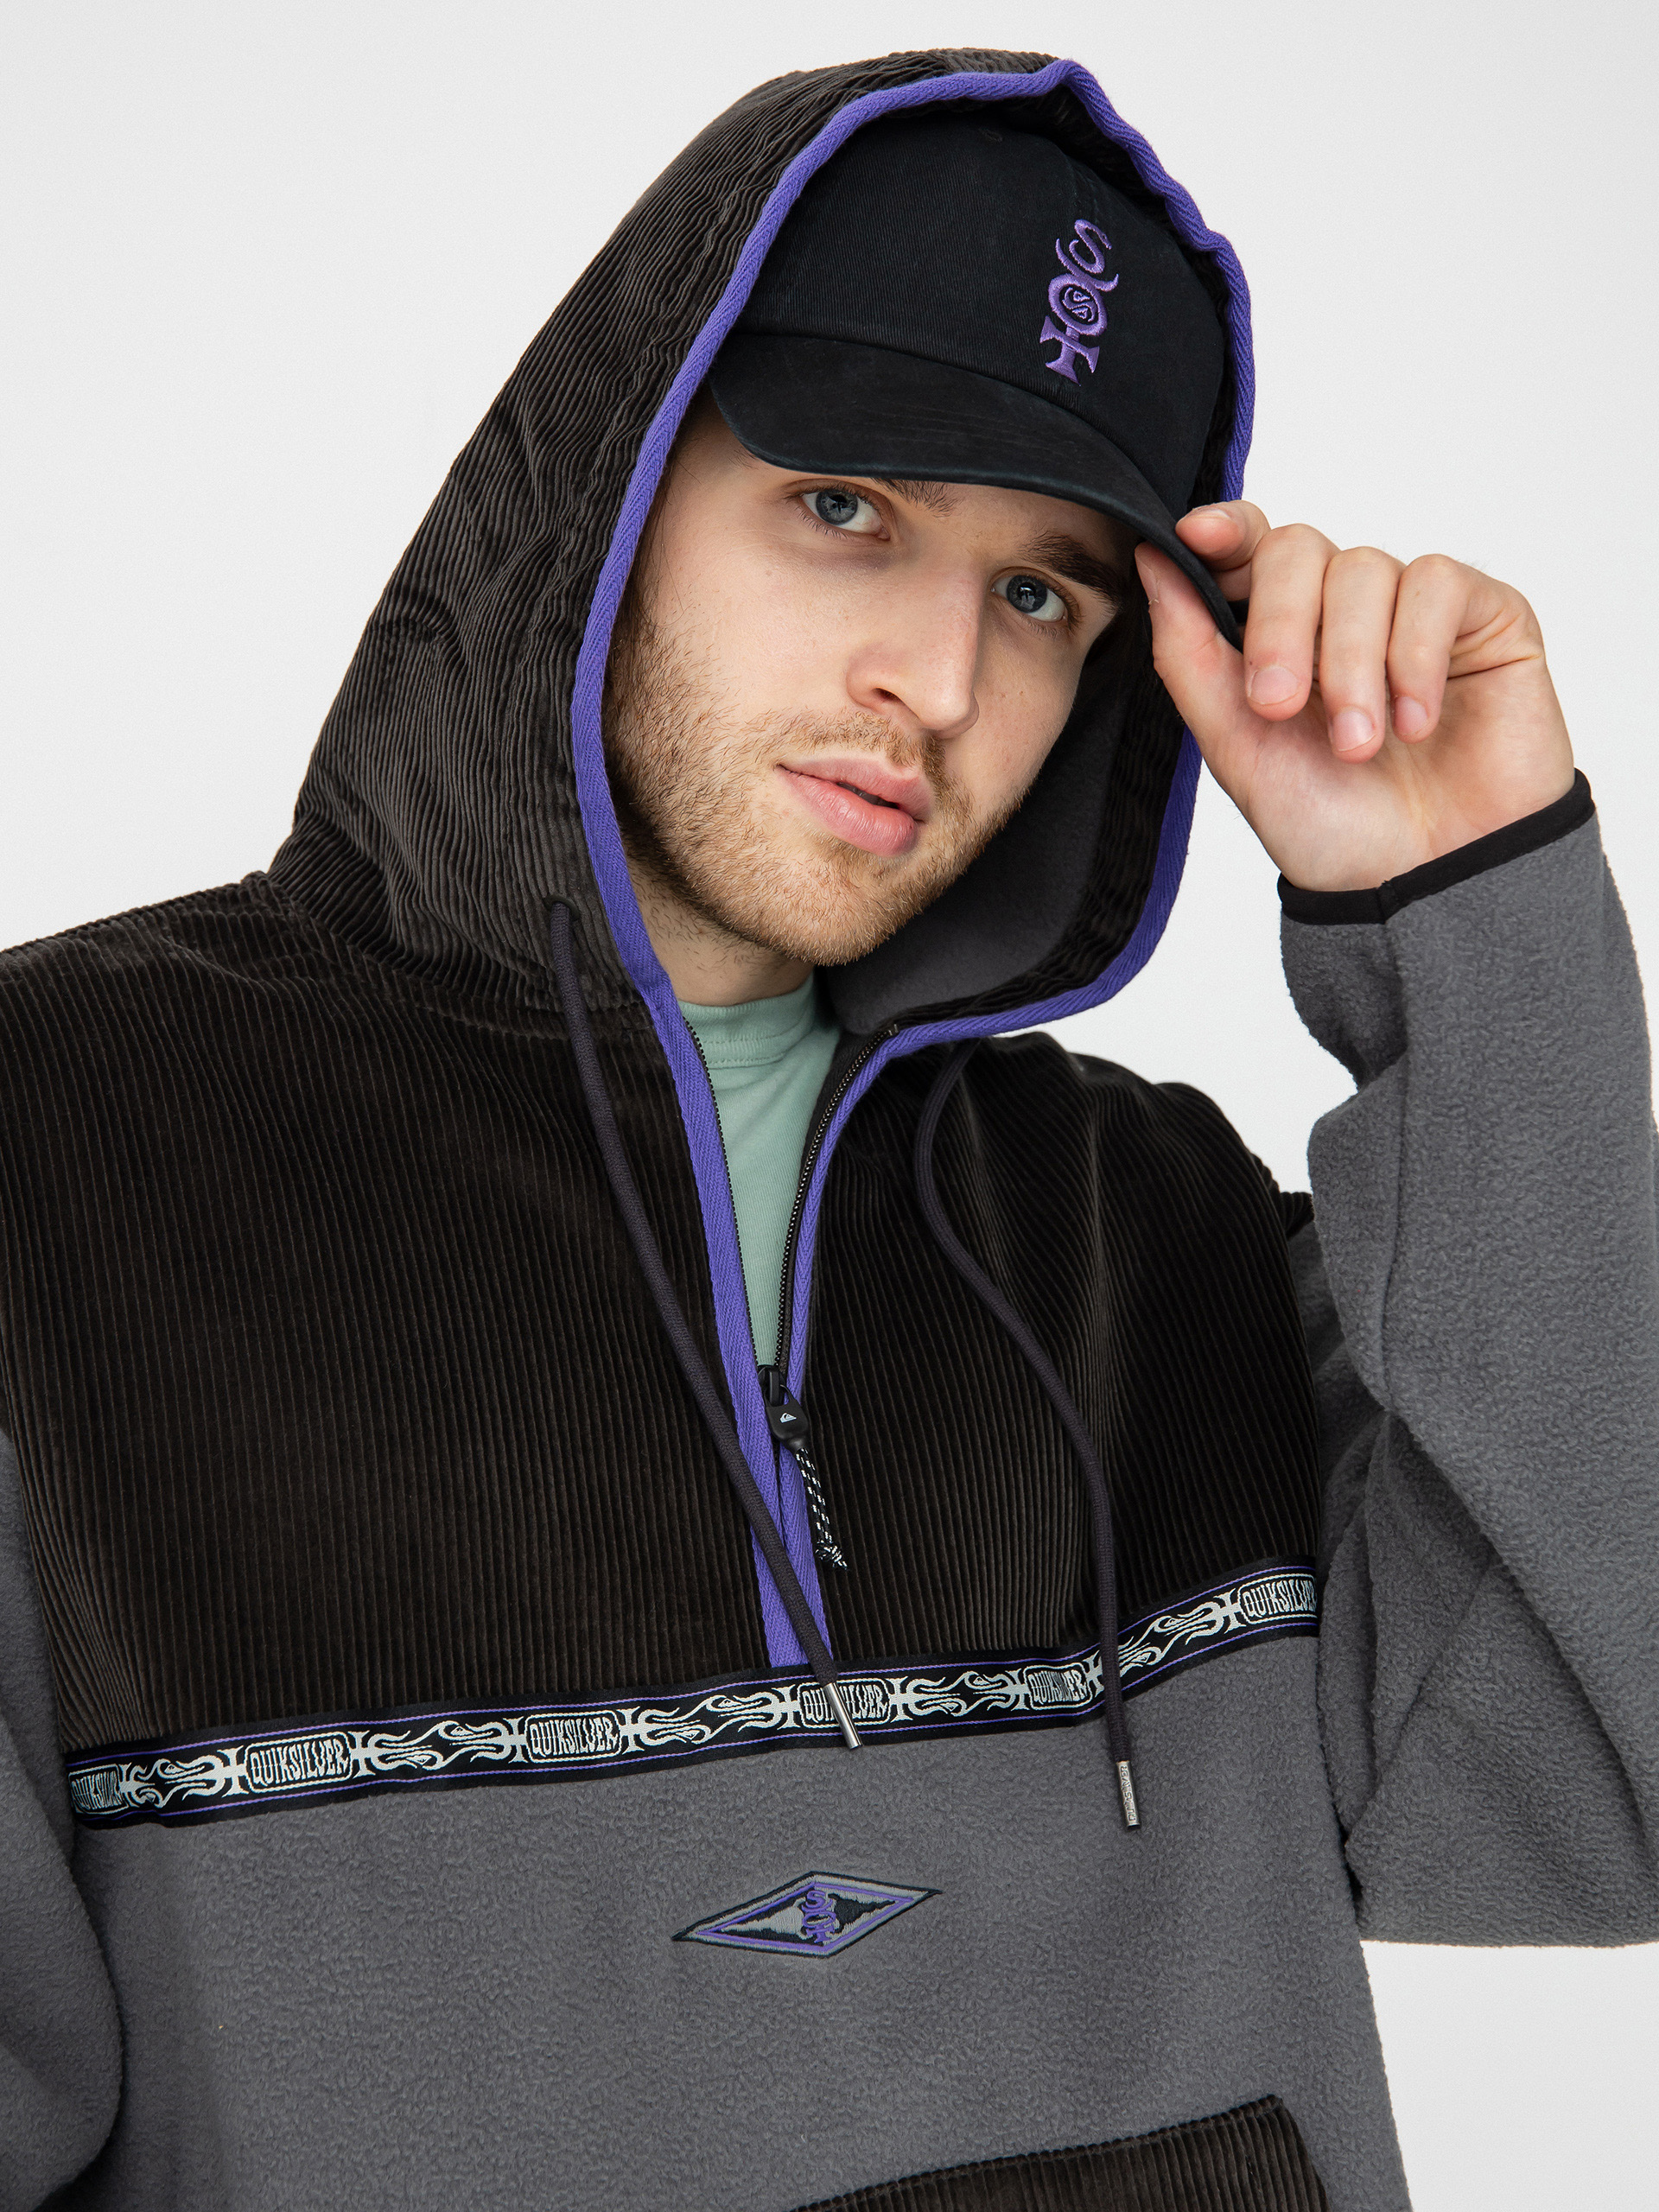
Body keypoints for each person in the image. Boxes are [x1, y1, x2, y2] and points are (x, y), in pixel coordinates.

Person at [1, 47, 1653, 2212]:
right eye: (848, 507)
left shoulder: (1151, 1235)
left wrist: (1468, 916)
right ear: (610, 493)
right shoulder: (60, 1146)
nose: (939, 683)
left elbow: (1599, 1783)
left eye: (1042, 591)